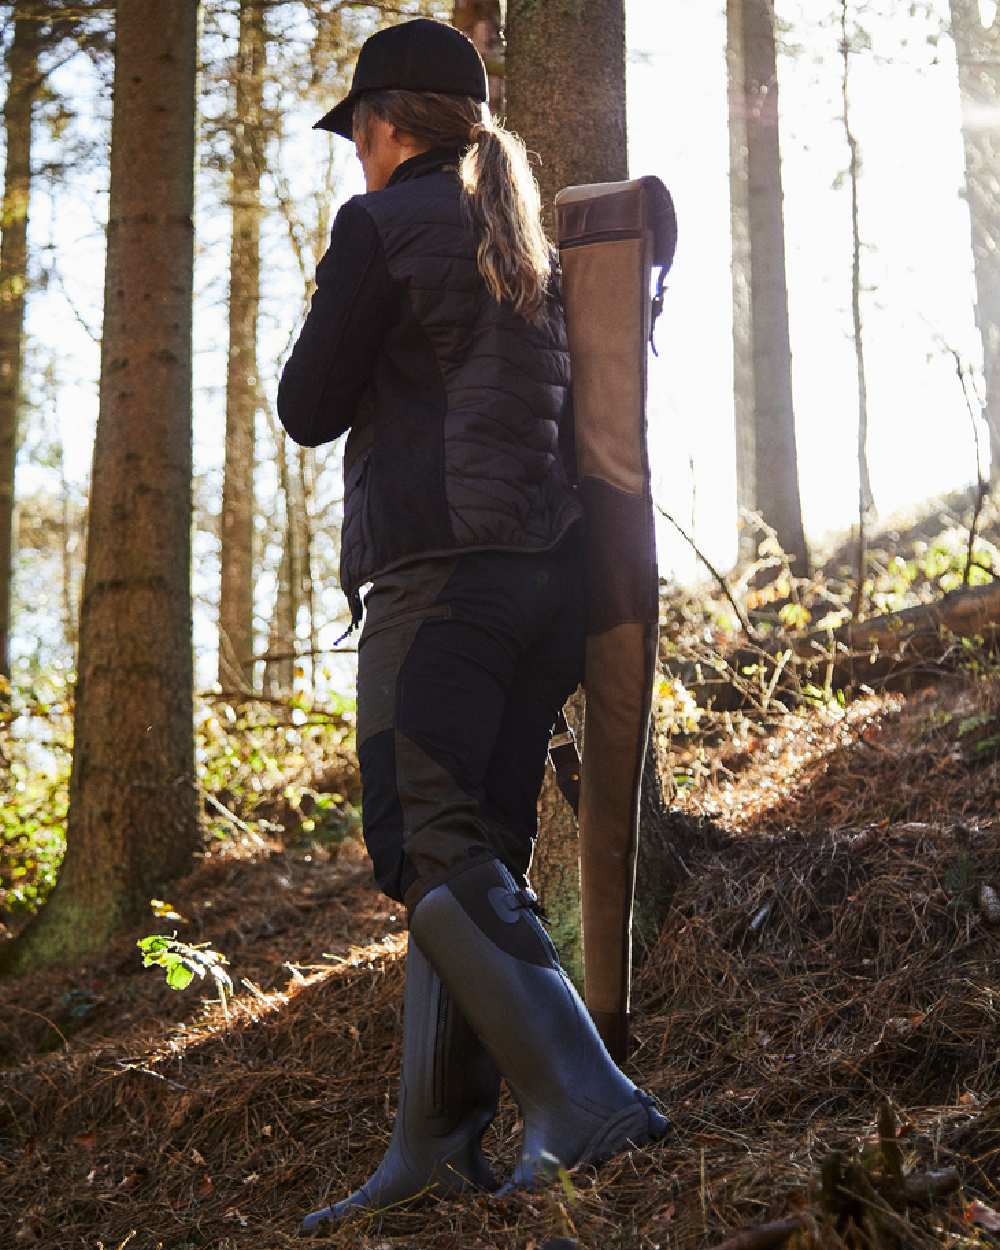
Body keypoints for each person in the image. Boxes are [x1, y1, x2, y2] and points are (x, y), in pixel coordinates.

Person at [276, 17, 668, 1236]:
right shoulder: (523, 230)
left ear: (387, 126)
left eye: (357, 134)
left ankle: (587, 1100)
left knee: (422, 837)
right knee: (477, 843)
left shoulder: (382, 223)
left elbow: (307, 404)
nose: (355, 155)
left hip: (440, 582)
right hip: (549, 589)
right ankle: (435, 1139)